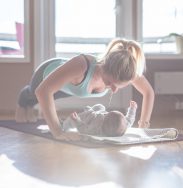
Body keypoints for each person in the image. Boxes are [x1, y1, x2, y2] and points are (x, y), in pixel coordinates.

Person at [15, 38, 155, 141]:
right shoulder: (82, 65)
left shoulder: (125, 71)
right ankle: (23, 100)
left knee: (50, 98)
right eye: (110, 83)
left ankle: (30, 105)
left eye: (118, 86)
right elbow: (43, 91)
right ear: (104, 66)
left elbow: (148, 92)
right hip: (44, 74)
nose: (114, 89)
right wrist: (58, 132)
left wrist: (143, 125)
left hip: (67, 89)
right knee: (32, 95)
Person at [62, 101, 137, 137]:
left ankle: (63, 123)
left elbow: (84, 129)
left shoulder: (96, 127)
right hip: (98, 111)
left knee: (70, 121)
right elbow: (130, 120)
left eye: (107, 115)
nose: (107, 113)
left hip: (89, 117)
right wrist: (132, 109)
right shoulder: (124, 125)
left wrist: (77, 121)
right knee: (100, 107)